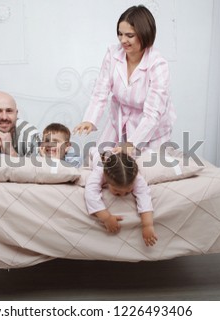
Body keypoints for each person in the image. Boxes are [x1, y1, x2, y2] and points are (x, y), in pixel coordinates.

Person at [73, 5, 176, 156]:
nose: (123, 40)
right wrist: (90, 120)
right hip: (119, 120)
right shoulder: (112, 54)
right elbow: (100, 92)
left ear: (144, 34)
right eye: (120, 34)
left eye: (129, 35)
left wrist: (132, 143)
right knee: (100, 158)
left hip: (150, 128)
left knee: (144, 168)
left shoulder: (158, 65)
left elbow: (153, 115)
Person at [84, 149, 158, 247]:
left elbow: (144, 195)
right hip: (98, 153)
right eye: (117, 192)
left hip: (116, 156)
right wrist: (106, 217)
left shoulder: (135, 177)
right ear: (106, 179)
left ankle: (118, 150)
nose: (123, 195)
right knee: (94, 151)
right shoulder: (100, 172)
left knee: (127, 153)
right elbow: (90, 193)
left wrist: (147, 225)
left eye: (128, 191)